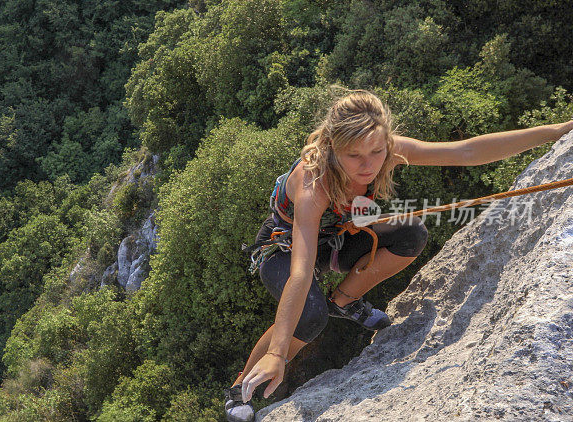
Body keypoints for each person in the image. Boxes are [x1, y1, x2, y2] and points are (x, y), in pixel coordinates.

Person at [225, 89, 573, 422]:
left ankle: (344, 301)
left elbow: (465, 151)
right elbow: (300, 272)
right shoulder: (313, 184)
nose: (368, 166)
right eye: (354, 156)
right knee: (310, 316)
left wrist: (556, 132)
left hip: (338, 236)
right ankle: (240, 390)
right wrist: (276, 354)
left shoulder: (387, 149)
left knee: (412, 233)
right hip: (285, 245)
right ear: (332, 148)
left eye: (376, 152)